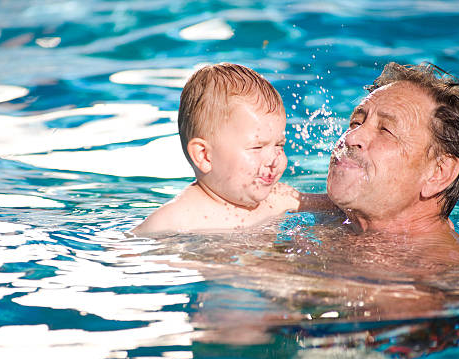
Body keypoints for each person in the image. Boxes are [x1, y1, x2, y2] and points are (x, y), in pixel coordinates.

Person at [132, 63, 330, 235]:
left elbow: (340, 208)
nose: (274, 159)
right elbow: (126, 251)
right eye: (257, 146)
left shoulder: (278, 198)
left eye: (279, 144)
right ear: (204, 156)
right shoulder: (177, 217)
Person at [326, 62, 459, 265]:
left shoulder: (438, 278)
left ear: (438, 172)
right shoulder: (340, 221)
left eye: (386, 130)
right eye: (356, 122)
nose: (351, 138)